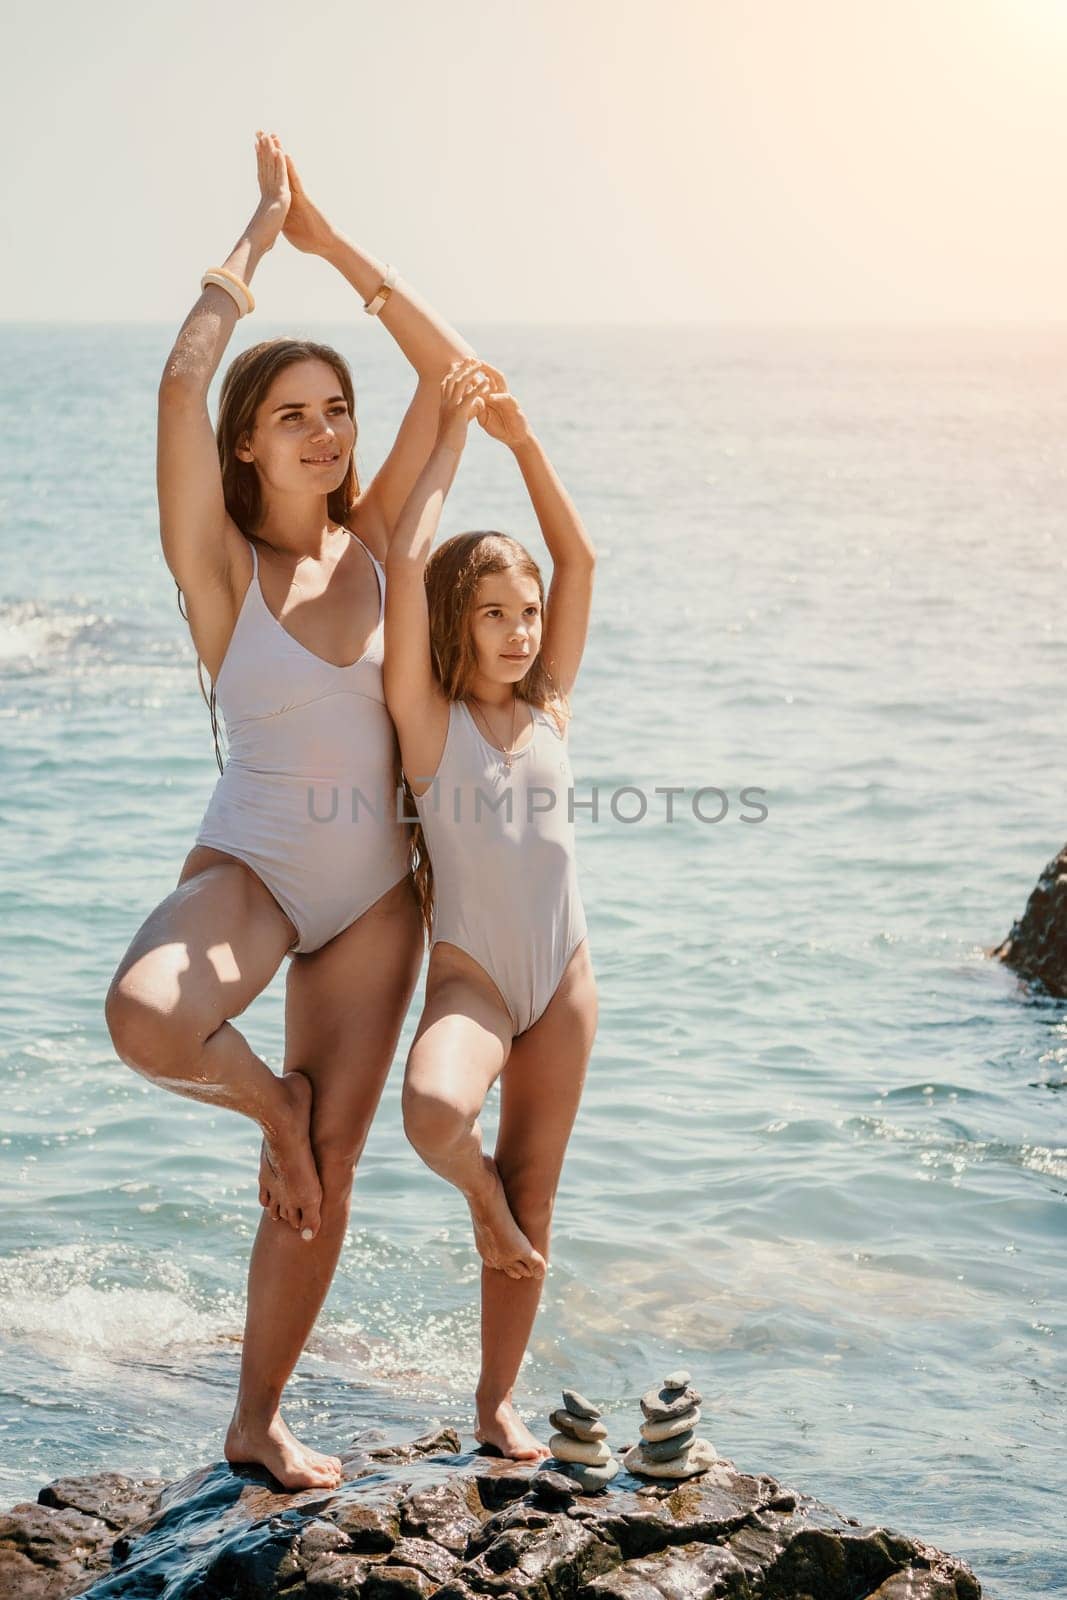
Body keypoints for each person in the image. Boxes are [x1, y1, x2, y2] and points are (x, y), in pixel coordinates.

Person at [104, 131, 477, 1490]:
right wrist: (261, 237)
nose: (325, 431)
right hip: (255, 868)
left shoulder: (378, 549)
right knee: (146, 1016)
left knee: (335, 1170)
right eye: (294, 416)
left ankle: (256, 1419)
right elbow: (180, 374)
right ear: (246, 449)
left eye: (335, 410)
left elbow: (458, 379)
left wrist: (341, 253)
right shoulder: (219, 571)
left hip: (378, 901)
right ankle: (271, 1114)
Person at [383, 360, 598, 1460]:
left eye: (526, 617)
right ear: (455, 628)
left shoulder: (551, 702)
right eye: (494, 616)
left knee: (539, 1192)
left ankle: (492, 1403)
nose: (519, 632)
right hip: (471, 976)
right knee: (430, 1114)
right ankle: (480, 1208)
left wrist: (526, 443)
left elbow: (580, 557)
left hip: (560, 981)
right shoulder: (429, 724)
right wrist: (456, 441)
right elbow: (406, 557)